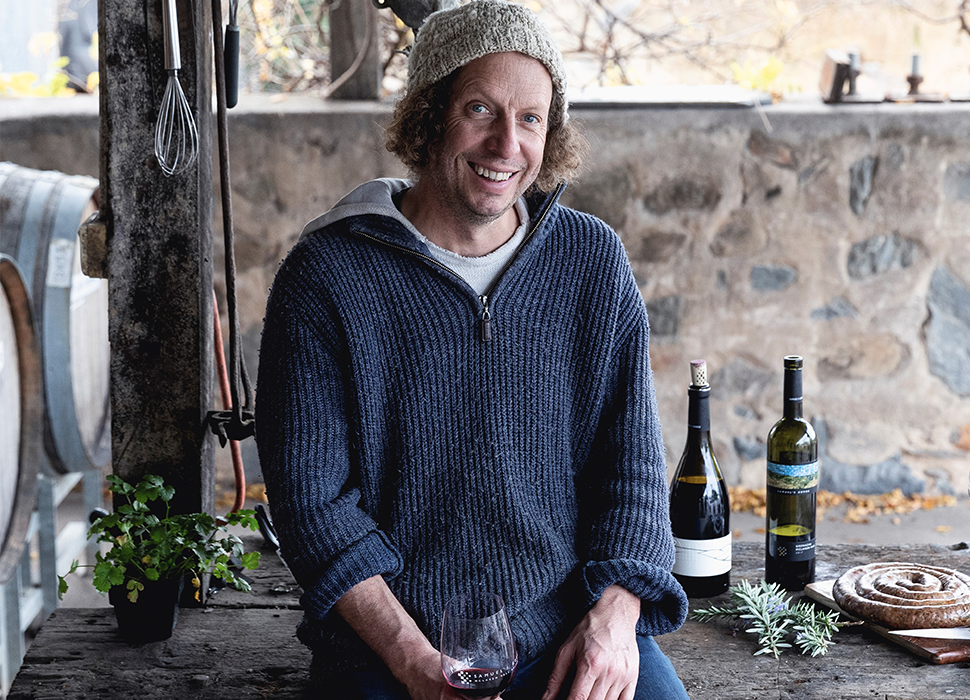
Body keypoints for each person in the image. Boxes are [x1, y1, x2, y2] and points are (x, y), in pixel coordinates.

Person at [255, 2, 690, 699]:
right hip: (389, 643)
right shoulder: (327, 277)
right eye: (480, 109)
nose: (505, 145)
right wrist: (409, 659)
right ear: (429, 114)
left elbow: (630, 467)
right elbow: (312, 506)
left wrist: (613, 618)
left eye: (530, 119)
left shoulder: (589, 260)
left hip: (562, 623)